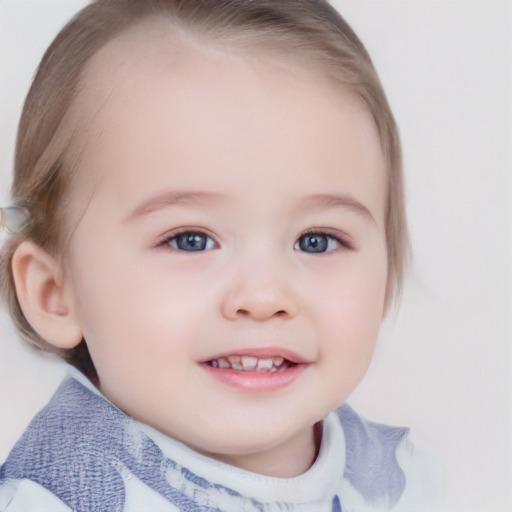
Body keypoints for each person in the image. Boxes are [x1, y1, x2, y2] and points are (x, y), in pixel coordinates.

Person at [0, 1, 442, 510]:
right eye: (190, 239)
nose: (263, 296)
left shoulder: (404, 479)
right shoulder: (48, 500)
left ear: (385, 279)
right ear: (55, 293)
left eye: (317, 240)